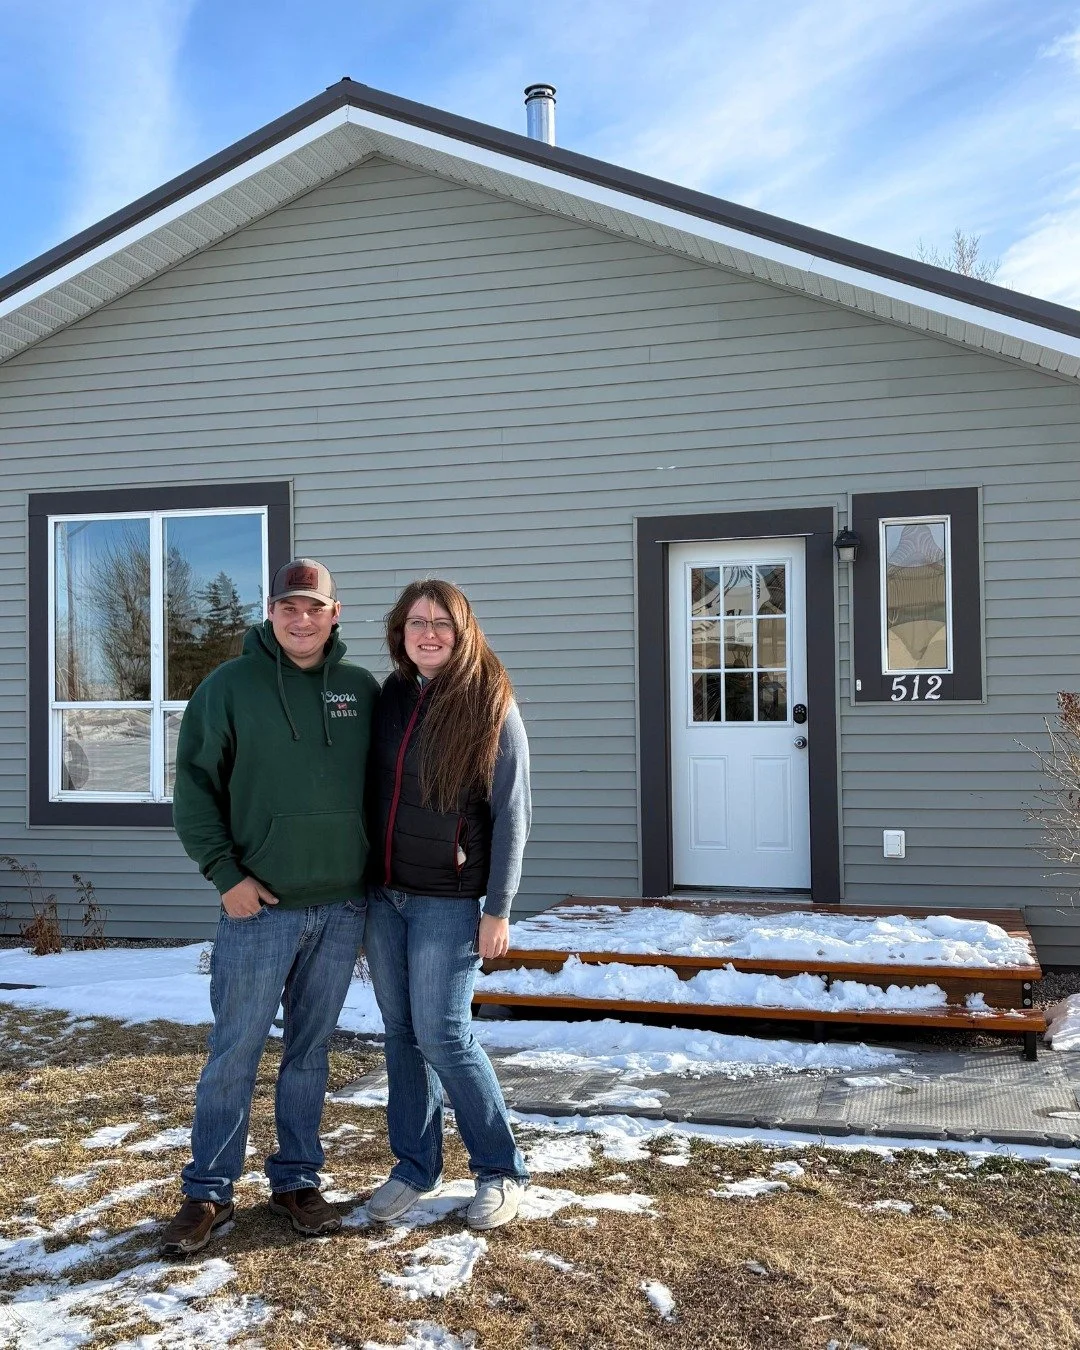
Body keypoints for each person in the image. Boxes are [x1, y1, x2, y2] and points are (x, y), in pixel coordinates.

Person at [164, 558, 378, 1256]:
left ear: (335, 613)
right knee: (236, 1050)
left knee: (310, 1052)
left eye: (315, 607)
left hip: (341, 908)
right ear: (270, 610)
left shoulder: (360, 690)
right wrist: (225, 875)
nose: (301, 619)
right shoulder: (228, 688)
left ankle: (296, 1181)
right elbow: (194, 789)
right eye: (289, 606)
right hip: (258, 908)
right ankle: (209, 1190)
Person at [364, 579, 531, 1231]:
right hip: (385, 895)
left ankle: (500, 1169)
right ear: (399, 633)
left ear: (463, 633)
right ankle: (415, 1165)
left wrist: (499, 907)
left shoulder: (490, 703)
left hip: (449, 900)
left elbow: (512, 813)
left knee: (443, 1033)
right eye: (417, 622)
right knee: (402, 1033)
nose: (429, 633)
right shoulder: (391, 696)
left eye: (442, 623)